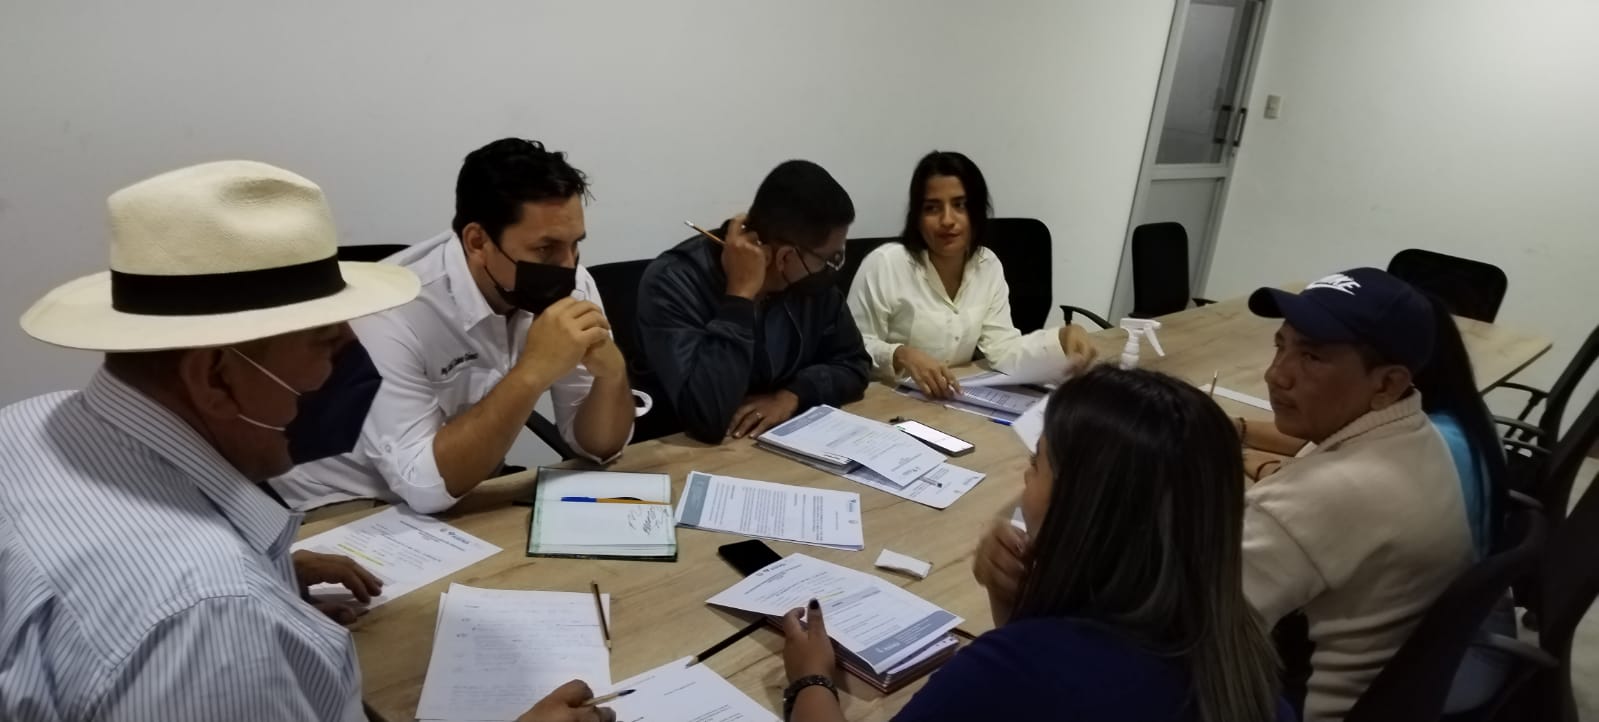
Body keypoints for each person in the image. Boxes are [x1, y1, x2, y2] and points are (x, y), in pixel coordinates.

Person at [0, 161, 612, 721]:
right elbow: (194, 615)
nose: (348, 372)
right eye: (327, 345)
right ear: (214, 376)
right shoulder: (213, 619)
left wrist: (270, 574)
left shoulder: (26, 423)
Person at [978, 268, 1475, 720]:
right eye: (1281, 346)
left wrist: (1014, 602)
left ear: (1387, 383)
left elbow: (1147, 644)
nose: (1276, 374)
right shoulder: (1415, 435)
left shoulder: (1327, 497)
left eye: (1312, 357)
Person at [779, 366, 1289, 722]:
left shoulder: (1023, 671)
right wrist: (1015, 607)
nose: (1024, 479)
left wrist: (810, 680)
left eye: (1037, 462)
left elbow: (1028, 683)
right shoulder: (1241, 652)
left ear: (1083, 505)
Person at [271, 138, 636, 513]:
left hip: (463, 482)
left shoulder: (573, 283)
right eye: (545, 249)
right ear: (477, 242)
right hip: (348, 497)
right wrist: (532, 372)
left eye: (575, 245)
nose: (568, 266)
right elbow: (423, 486)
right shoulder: (389, 312)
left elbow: (598, 447)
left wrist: (611, 376)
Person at [637, 160, 870, 443]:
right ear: (786, 257)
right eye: (830, 258)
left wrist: (792, 396)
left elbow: (855, 364)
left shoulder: (811, 284)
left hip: (779, 443)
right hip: (688, 452)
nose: (832, 267)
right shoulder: (673, 281)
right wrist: (740, 296)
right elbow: (707, 417)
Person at [847, 151, 1096, 397]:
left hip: (950, 398)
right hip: (885, 401)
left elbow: (1003, 349)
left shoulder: (987, 265)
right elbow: (851, 348)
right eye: (932, 208)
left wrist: (1060, 338)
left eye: (960, 205)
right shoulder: (885, 264)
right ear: (917, 217)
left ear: (977, 212)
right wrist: (900, 355)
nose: (947, 220)